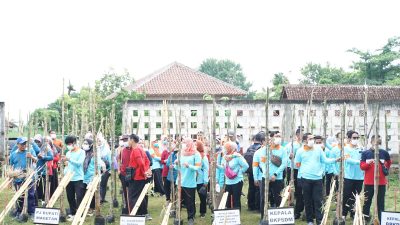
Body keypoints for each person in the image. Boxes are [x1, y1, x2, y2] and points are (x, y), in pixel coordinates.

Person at [295, 133, 340, 225]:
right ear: (304, 141)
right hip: (305, 179)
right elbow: (297, 164)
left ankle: (319, 220)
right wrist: (304, 171)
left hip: (318, 179)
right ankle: (310, 220)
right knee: (307, 200)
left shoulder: (318, 149)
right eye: (310, 138)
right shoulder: (300, 151)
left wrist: (335, 160)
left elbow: (325, 160)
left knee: (318, 200)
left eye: (313, 138)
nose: (312, 140)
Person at [254, 132, 287, 218]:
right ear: (271, 138)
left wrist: (275, 174)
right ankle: (263, 217)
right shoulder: (265, 149)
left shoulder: (283, 149)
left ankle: (278, 218)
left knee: (278, 197)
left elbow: (284, 164)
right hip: (266, 177)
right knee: (264, 198)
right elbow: (262, 163)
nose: (278, 138)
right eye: (276, 136)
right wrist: (267, 174)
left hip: (278, 178)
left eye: (279, 136)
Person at [361, 135, 391, 223]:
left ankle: (381, 220)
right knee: (367, 202)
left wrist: (384, 168)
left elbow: (389, 163)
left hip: (381, 182)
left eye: (379, 143)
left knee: (380, 203)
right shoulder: (366, 153)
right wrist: (369, 163)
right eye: (376, 142)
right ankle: (365, 219)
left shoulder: (384, 153)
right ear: (371, 142)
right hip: (369, 182)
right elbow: (362, 166)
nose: (378, 144)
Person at [9, 137, 38, 220]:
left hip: (29, 177)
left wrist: (31, 156)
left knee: (30, 195)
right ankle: (20, 211)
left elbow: (36, 160)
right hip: (18, 178)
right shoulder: (13, 154)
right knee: (19, 196)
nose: (24, 145)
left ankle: (31, 212)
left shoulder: (30, 151)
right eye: (22, 144)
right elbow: (11, 166)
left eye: (25, 144)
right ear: (17, 144)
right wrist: (11, 177)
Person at [175, 138, 201, 225]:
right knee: (179, 201)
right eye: (183, 143)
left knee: (190, 202)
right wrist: (175, 164)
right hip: (179, 181)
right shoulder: (180, 153)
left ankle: (191, 218)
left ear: (190, 143)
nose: (184, 144)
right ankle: (178, 217)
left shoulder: (196, 154)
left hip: (190, 183)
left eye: (186, 143)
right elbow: (177, 168)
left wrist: (189, 166)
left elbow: (198, 167)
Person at [62, 135, 85, 221]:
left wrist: (69, 159)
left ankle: (80, 213)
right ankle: (73, 212)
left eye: (70, 143)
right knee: (70, 196)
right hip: (69, 178)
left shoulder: (81, 152)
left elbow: (79, 164)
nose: (68, 145)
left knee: (79, 196)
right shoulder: (68, 153)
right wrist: (64, 173)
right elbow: (68, 166)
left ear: (75, 143)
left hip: (78, 178)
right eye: (67, 144)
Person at [127, 134, 152, 216]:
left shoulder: (136, 150)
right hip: (141, 176)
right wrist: (146, 170)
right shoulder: (140, 149)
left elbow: (141, 163)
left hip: (136, 177)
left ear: (132, 140)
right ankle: (144, 213)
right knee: (141, 195)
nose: (128, 141)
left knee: (133, 196)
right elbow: (147, 161)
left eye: (128, 140)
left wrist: (144, 171)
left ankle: (135, 214)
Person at [221, 141, 249, 210]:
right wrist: (216, 165)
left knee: (236, 199)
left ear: (231, 148)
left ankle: (237, 216)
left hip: (237, 181)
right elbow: (223, 167)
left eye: (226, 147)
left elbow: (246, 166)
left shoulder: (237, 156)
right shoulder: (224, 157)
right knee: (227, 200)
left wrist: (239, 172)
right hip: (228, 181)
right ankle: (229, 215)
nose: (224, 149)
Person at [82, 138, 103, 216]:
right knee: (86, 193)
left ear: (91, 145)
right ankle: (88, 208)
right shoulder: (84, 153)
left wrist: (94, 176)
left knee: (92, 193)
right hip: (84, 176)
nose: (85, 145)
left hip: (92, 177)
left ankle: (93, 208)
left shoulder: (94, 154)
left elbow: (98, 165)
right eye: (84, 143)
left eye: (86, 143)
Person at [245, 132, 264, 211]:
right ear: (262, 140)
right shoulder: (260, 148)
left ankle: (250, 205)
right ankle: (257, 206)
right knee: (258, 189)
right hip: (258, 171)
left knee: (251, 188)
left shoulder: (249, 147)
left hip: (250, 171)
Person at [33, 134, 54, 205]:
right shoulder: (33, 147)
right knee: (37, 185)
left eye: (38, 141)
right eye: (35, 141)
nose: (36, 143)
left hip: (44, 169)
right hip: (35, 169)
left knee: (45, 185)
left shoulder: (46, 147)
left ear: (41, 141)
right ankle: (38, 198)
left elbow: (51, 157)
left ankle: (45, 199)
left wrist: (43, 157)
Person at [117, 134, 131, 214]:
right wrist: (119, 169)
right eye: (124, 140)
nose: (125, 142)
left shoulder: (134, 149)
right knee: (125, 191)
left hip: (132, 173)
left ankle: (132, 206)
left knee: (131, 190)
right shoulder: (122, 149)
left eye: (126, 140)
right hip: (123, 173)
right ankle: (126, 206)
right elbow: (119, 160)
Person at [196, 140, 209, 218]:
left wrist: (205, 181)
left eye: (196, 145)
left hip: (201, 180)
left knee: (202, 197)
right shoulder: (194, 155)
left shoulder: (203, 157)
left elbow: (206, 169)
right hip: (193, 180)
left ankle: (203, 212)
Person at [97, 134, 112, 203]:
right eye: (97, 141)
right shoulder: (95, 149)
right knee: (98, 184)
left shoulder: (107, 150)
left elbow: (110, 160)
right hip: (97, 169)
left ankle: (102, 198)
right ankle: (98, 197)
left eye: (99, 141)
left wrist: (110, 170)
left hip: (106, 170)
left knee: (103, 184)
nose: (98, 142)